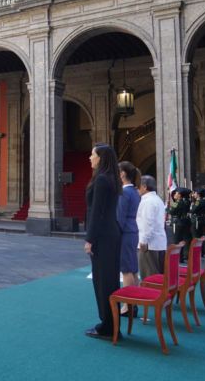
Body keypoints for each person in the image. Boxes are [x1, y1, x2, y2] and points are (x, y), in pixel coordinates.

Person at [83, 143, 123, 341]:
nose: (90, 158)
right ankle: (113, 323)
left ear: (101, 158)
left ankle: (107, 326)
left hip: (102, 236)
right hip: (112, 233)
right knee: (111, 280)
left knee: (102, 282)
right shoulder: (113, 178)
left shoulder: (101, 179)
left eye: (93, 155)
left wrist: (89, 240)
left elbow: (97, 212)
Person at [116, 161, 141, 317]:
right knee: (133, 269)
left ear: (122, 174)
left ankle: (127, 305)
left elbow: (119, 217)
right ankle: (134, 303)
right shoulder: (134, 191)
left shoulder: (124, 192)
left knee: (126, 270)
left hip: (125, 232)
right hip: (133, 230)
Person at [137, 176, 168, 279]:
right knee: (158, 275)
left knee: (149, 277)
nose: (137, 189)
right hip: (158, 242)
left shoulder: (147, 201)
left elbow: (147, 222)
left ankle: (152, 295)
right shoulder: (157, 199)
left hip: (150, 244)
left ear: (144, 187)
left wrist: (143, 241)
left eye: (138, 186)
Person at [168, 187, 192, 263]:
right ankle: (183, 255)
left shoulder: (178, 203)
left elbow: (172, 211)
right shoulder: (186, 202)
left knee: (177, 240)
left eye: (177, 193)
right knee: (183, 239)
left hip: (178, 222)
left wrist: (166, 208)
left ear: (180, 195)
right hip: (183, 221)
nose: (175, 194)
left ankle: (178, 257)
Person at [191, 187, 205, 256]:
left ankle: (199, 251)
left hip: (198, 219)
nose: (194, 195)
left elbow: (193, 210)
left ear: (199, 194)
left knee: (197, 235)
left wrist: (192, 207)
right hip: (204, 218)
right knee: (204, 235)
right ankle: (204, 250)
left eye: (195, 193)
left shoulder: (198, 202)